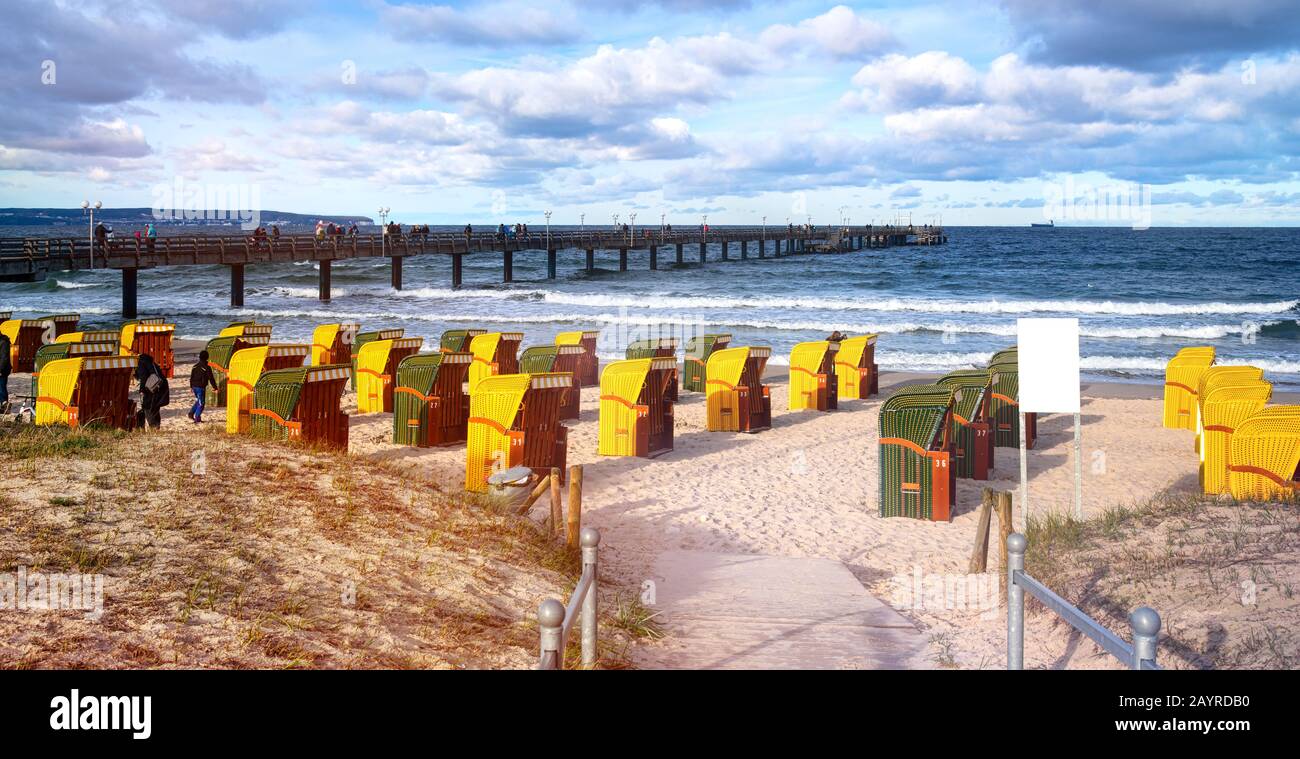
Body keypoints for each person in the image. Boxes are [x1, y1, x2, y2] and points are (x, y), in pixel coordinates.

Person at [134, 354, 168, 430]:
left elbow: (143, 377)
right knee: (155, 407)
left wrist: (142, 390)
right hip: (160, 386)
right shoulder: (151, 363)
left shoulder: (141, 363)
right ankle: (156, 426)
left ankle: (153, 427)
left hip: (151, 388)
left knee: (148, 407)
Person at [188, 350, 217, 423]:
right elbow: (211, 378)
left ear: (200, 357)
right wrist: (215, 387)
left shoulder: (194, 366)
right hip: (200, 388)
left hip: (194, 387)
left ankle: (191, 413)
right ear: (207, 357)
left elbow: (191, 377)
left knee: (199, 400)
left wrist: (191, 387)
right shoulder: (207, 367)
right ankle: (197, 418)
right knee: (202, 403)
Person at [0, 331, 10, 412]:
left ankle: (5, 407)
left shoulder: (4, 342)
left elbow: (4, 358)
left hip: (2, 369)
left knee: (1, 387)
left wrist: (0, 369)